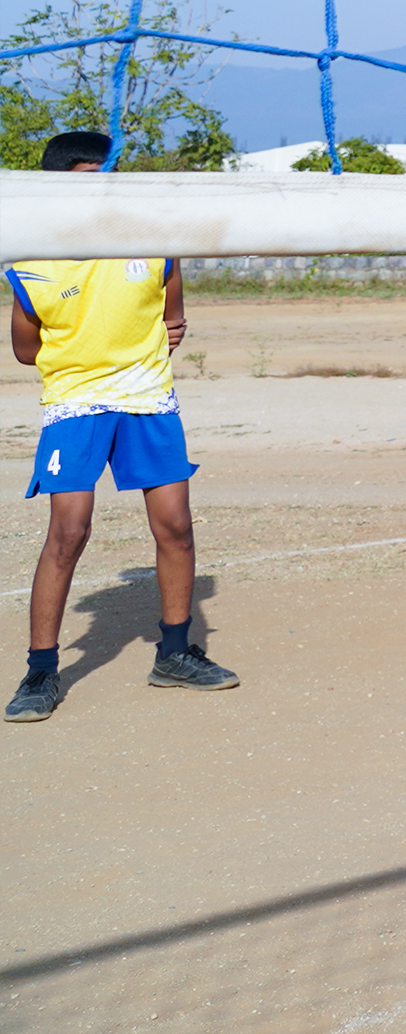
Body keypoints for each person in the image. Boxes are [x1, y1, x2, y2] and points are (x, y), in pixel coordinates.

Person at [12, 130, 239, 723]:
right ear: (58, 186)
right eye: (92, 177)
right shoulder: (31, 261)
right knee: (69, 531)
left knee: (176, 527)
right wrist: (88, 355)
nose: (105, 189)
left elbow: (174, 320)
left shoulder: (154, 244)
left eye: (110, 177)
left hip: (149, 402)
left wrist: (138, 357)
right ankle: (40, 670)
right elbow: (25, 349)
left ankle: (175, 653)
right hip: (76, 406)